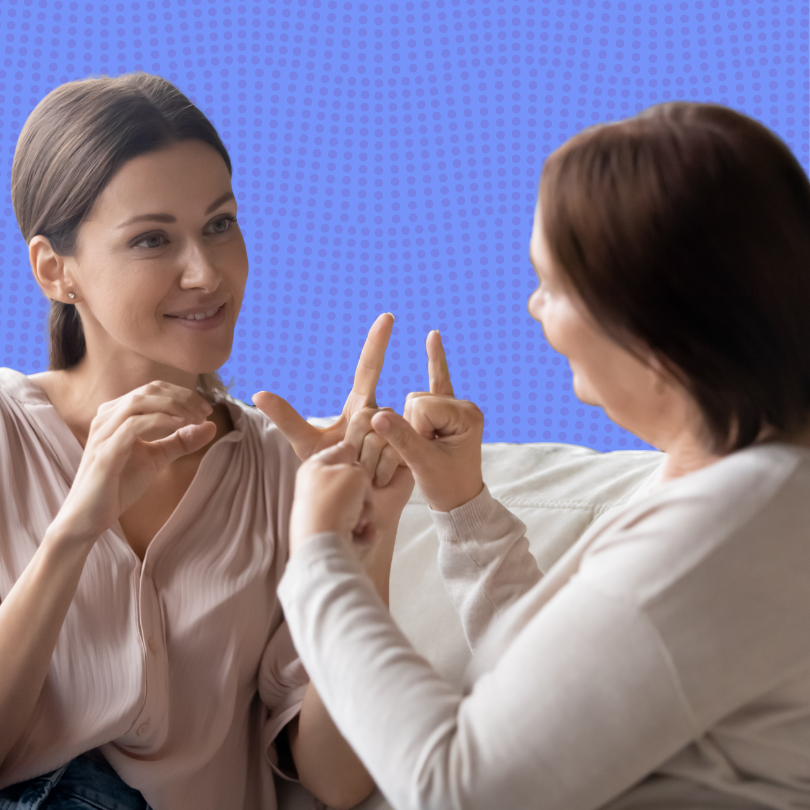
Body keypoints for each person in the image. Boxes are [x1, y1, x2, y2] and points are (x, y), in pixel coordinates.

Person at [277, 101, 810, 809]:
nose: (534, 309)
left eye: (553, 286)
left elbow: (459, 790)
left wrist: (319, 556)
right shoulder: (743, 484)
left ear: (654, 335)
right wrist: (463, 507)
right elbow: (565, 700)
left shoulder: (734, 528)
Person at [0, 72, 413, 810]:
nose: (207, 271)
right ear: (54, 271)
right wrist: (76, 529)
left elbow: (338, 779)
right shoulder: (7, 432)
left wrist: (360, 551)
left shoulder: (283, 471)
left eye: (220, 224)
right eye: (152, 238)